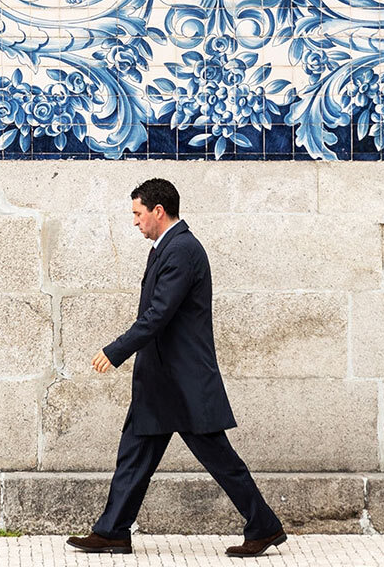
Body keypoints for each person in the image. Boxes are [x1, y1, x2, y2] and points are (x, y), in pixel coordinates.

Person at [65, 178, 288, 558]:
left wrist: (115, 351)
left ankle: (264, 526)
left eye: (137, 214)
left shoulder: (182, 249)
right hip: (161, 382)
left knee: (220, 459)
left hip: (183, 383)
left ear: (158, 211)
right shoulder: (165, 248)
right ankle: (113, 531)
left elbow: (157, 316)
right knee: (133, 457)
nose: (134, 222)